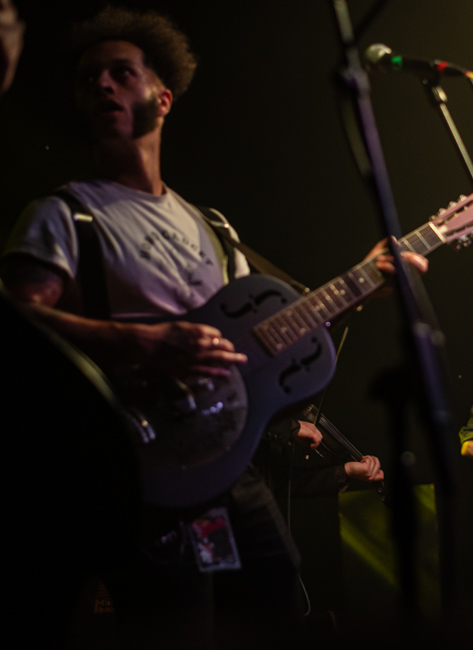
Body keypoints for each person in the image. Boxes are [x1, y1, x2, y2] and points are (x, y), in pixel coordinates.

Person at [0, 6, 424, 646]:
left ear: (163, 98)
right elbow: (20, 328)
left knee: (277, 604)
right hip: (134, 470)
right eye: (90, 77)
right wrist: (147, 342)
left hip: (230, 468)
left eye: (122, 72)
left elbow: (262, 339)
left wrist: (361, 283)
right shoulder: (64, 215)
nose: (102, 85)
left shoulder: (213, 228)